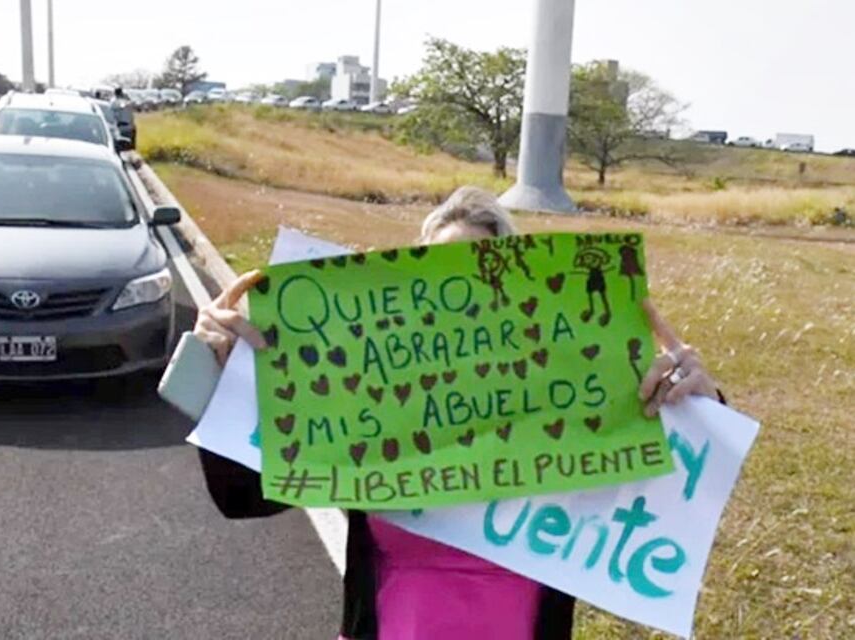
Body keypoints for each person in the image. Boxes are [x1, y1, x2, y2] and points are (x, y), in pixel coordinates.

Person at [192, 186, 722, 639]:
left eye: (481, 278)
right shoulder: (374, 398)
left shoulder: (573, 402)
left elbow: (676, 496)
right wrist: (222, 379)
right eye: (442, 278)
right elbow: (242, 496)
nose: (463, 306)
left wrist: (700, 405)